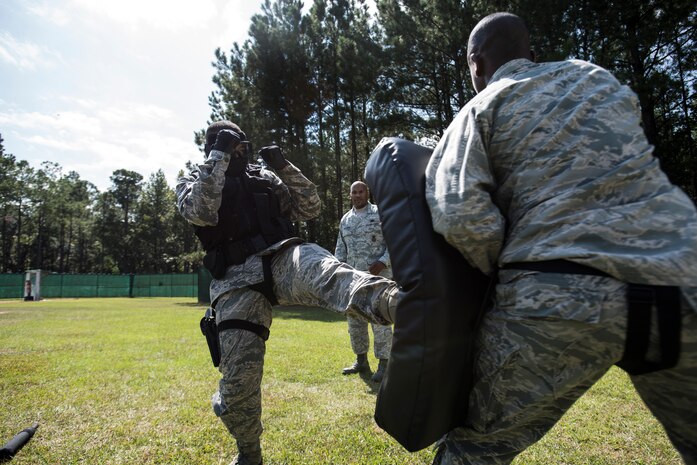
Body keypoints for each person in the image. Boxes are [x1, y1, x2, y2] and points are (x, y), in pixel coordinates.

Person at [424, 12, 697, 465]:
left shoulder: (482, 107)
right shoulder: (597, 76)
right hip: (681, 273)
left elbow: (460, 216)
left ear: (475, 63)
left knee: (476, 449)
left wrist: (502, 269)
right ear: (531, 53)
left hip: (559, 289)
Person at [176, 121, 398, 465]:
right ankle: (249, 452)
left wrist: (282, 166)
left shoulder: (264, 177)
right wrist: (218, 155)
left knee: (329, 273)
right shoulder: (195, 177)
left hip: (282, 257)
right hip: (235, 281)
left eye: (239, 144)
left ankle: (400, 304)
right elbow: (201, 212)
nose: (236, 150)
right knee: (237, 387)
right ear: (212, 146)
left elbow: (310, 208)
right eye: (226, 143)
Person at [335, 181, 393, 382]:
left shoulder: (380, 214)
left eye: (361, 191)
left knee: (380, 320)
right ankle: (361, 360)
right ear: (350, 195)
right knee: (355, 320)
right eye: (354, 192)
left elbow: (395, 242)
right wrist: (339, 274)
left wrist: (383, 262)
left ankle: (385, 364)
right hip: (353, 280)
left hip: (378, 279)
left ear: (367, 193)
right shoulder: (346, 220)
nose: (358, 195)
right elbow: (340, 250)